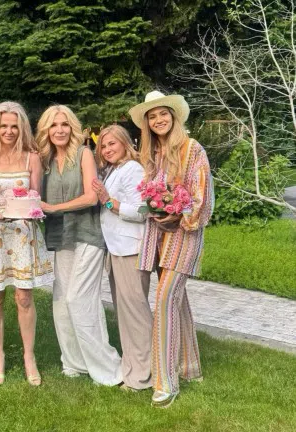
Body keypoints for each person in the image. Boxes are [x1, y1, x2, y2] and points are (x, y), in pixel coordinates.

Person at [129, 91, 215, 408]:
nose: (158, 120)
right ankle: (190, 367)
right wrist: (155, 208)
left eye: (163, 113)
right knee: (178, 300)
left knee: (165, 300)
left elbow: (201, 195)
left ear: (174, 116)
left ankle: (166, 382)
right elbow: (149, 194)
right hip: (160, 235)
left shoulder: (192, 149)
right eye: (152, 117)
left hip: (185, 234)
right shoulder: (152, 155)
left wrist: (180, 213)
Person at [0, 101, 54, 386]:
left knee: (24, 297)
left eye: (14, 126)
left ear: (22, 128)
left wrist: (29, 209)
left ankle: (29, 356)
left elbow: (35, 198)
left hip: (23, 234)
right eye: (3, 126)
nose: (8, 131)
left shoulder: (32, 158)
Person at [36, 105, 122, 386]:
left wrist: (53, 207)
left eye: (64, 124)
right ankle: (74, 363)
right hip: (60, 235)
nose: (59, 130)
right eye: (53, 125)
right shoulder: (44, 160)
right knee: (62, 302)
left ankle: (108, 369)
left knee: (80, 299)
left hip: (88, 233)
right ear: (46, 130)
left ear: (72, 128)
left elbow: (91, 197)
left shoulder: (84, 154)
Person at [91, 124, 152, 392]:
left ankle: (143, 376)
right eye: (103, 146)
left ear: (125, 143)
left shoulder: (134, 169)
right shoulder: (116, 170)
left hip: (131, 250)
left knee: (135, 314)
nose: (106, 150)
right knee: (126, 314)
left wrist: (107, 201)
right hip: (117, 249)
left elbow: (142, 211)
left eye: (112, 144)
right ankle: (133, 368)